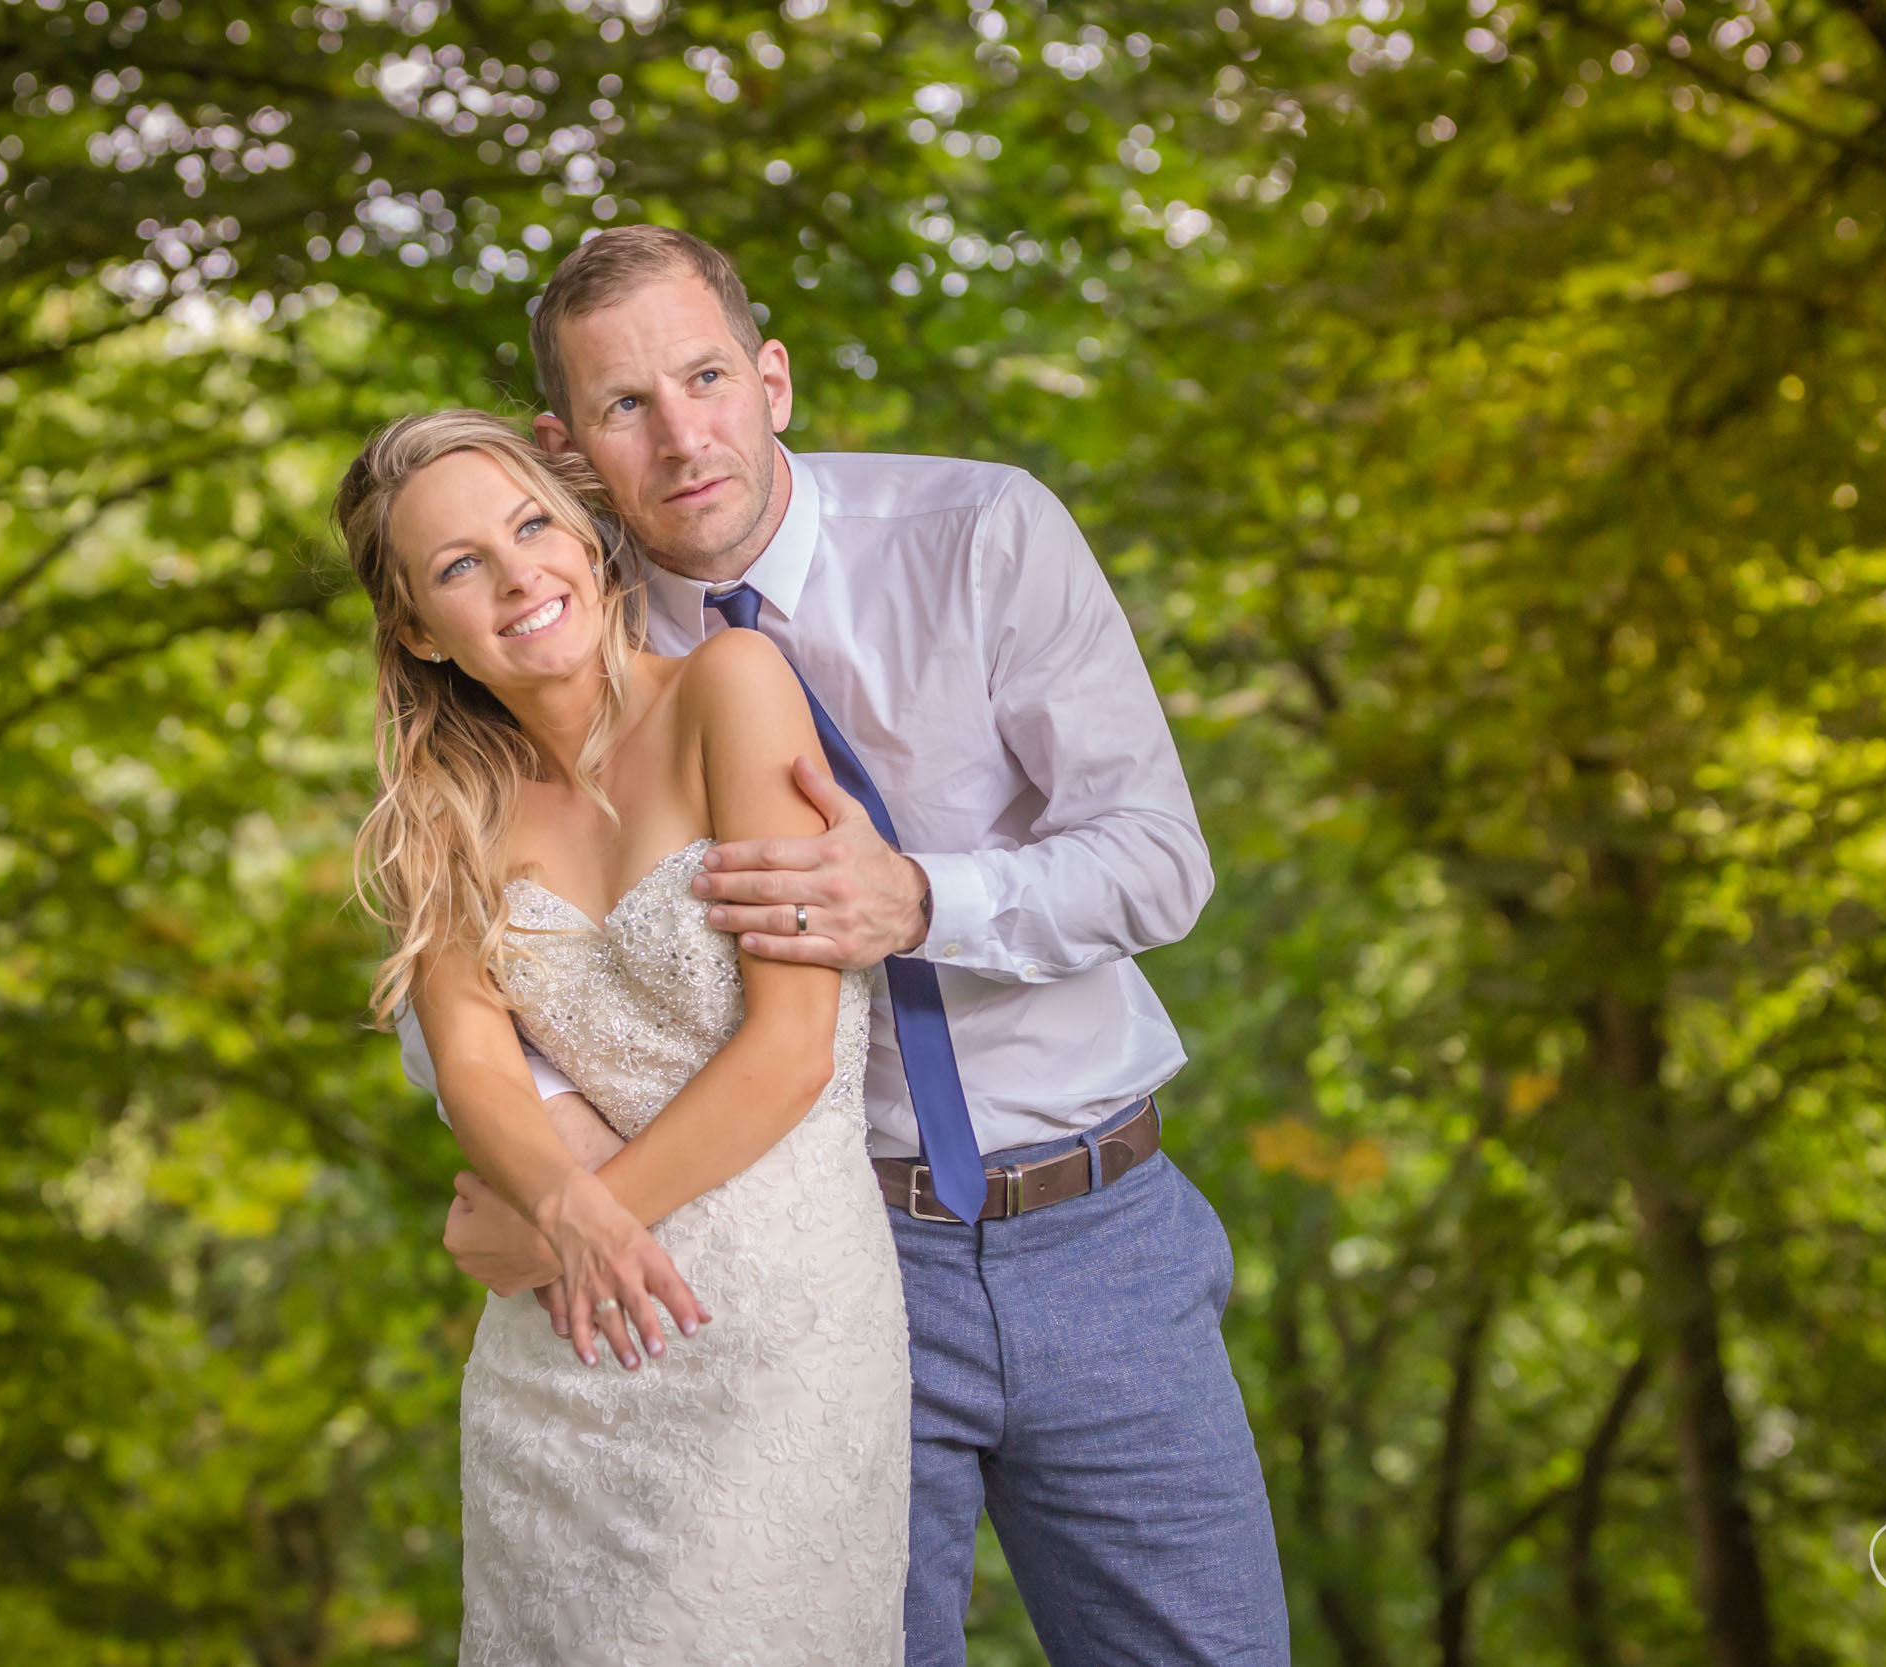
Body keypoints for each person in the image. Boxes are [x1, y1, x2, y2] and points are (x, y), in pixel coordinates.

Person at [415, 227, 1290, 1666]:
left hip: (1099, 1225)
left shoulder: (984, 536)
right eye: (625, 404)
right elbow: (477, 934)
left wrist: (923, 903)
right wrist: (562, 1176)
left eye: (704, 375)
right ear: (565, 448)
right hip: (807, 1265)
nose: (682, 431)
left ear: (774, 377)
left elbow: (1158, 858)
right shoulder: (559, 625)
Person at [341, 411, 911, 1664]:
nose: (514, 576)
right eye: (456, 567)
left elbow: (792, 1047)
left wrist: (578, 1217)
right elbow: (477, 1067)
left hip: (774, 1330)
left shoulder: (730, 687)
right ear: (413, 628)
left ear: (590, 542)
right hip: (561, 1371)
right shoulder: (438, 817)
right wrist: (565, 1211)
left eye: (530, 525)